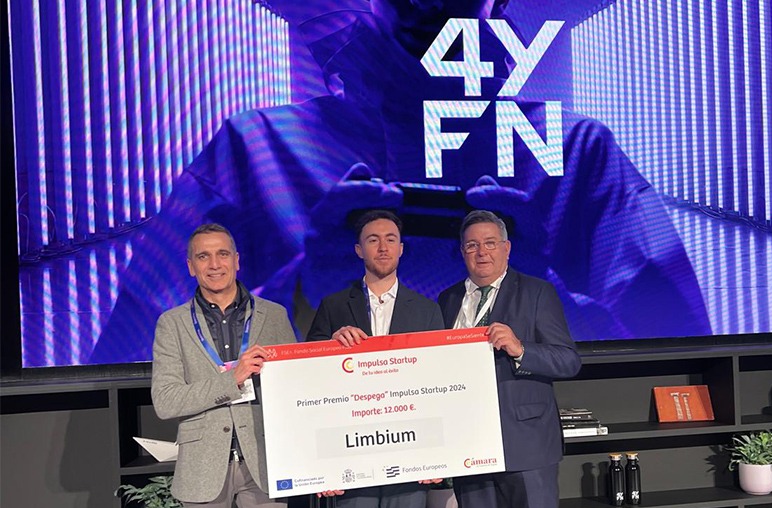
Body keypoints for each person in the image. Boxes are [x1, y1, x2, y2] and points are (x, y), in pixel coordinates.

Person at [90, 0, 710, 364]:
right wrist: (304, 294)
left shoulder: (579, 158)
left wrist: (538, 297)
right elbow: (139, 362)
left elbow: (680, 360)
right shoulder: (252, 152)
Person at [438, 210, 581, 508]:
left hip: (528, 442)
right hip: (470, 444)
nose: (481, 252)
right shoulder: (447, 300)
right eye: (471, 245)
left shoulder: (536, 292)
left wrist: (521, 350)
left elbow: (568, 360)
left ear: (506, 248)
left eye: (489, 243)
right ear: (462, 252)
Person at [150, 223, 297, 508]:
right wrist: (232, 380)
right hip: (203, 464)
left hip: (262, 460)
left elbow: (293, 389)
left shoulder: (273, 315)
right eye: (203, 256)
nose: (214, 264)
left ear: (237, 260)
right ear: (191, 266)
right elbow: (166, 400)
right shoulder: (172, 324)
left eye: (222, 254)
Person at [306, 209, 445, 508]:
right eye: (372, 239)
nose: (382, 247)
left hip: (409, 453)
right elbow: (307, 381)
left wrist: (437, 457)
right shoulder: (334, 307)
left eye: (390, 239)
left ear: (402, 249)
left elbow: (440, 386)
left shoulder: (427, 310)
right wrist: (329, 346)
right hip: (353, 455)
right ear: (358, 250)